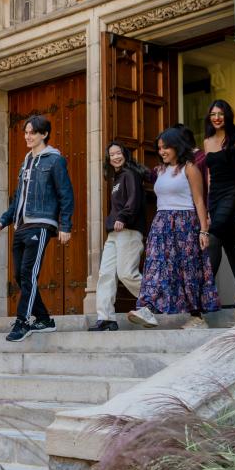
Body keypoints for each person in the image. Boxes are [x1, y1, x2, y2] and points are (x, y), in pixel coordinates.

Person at [0, 114, 75, 342]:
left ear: (44, 134)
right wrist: (4, 219)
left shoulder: (54, 161)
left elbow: (65, 194)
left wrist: (65, 225)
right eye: (26, 132)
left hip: (41, 224)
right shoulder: (26, 162)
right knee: (20, 276)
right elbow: (18, 197)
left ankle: (23, 321)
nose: (28, 137)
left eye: (32, 132)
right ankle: (44, 319)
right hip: (21, 226)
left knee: (28, 274)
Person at [129, 126, 217, 329]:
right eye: (159, 148)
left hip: (185, 223)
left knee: (188, 269)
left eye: (166, 147)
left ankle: (197, 317)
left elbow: (199, 201)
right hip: (161, 224)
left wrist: (204, 231)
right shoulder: (160, 170)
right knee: (155, 266)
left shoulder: (190, 168)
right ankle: (148, 309)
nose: (162, 152)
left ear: (177, 147)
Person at [92, 142, 150, 331]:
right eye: (112, 154)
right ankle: (106, 317)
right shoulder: (116, 179)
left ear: (125, 154)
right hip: (114, 234)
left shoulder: (130, 174)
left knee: (126, 273)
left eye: (119, 153)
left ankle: (153, 300)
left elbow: (134, 200)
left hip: (129, 231)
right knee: (105, 275)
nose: (115, 157)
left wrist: (123, 217)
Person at [198, 99, 235, 309]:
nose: (217, 118)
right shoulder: (208, 141)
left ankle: (203, 294)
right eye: (213, 114)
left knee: (215, 237)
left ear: (227, 115)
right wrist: (208, 208)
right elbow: (209, 177)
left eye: (220, 113)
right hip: (217, 195)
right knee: (230, 246)